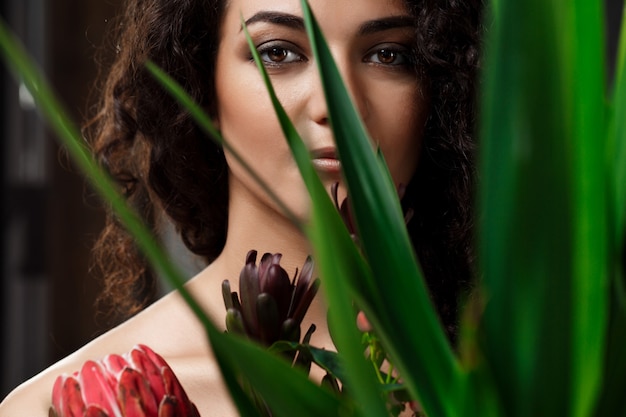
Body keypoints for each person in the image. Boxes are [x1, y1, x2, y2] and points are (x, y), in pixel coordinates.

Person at [0, 0, 482, 414]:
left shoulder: (514, 376)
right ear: (202, 84)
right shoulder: (64, 408)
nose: (339, 105)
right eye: (278, 52)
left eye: (387, 55)